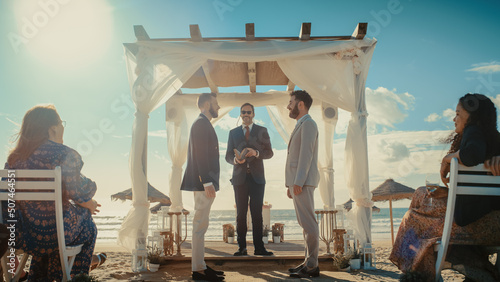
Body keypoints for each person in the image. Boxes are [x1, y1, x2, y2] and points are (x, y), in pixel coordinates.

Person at [390, 93, 500, 281]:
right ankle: (417, 273)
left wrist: (448, 158)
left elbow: (472, 154)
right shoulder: (495, 139)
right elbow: (480, 195)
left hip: (475, 224)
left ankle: (415, 274)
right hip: (493, 223)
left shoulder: (473, 131)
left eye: (458, 113)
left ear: (472, 117)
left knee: (416, 209)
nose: (454, 118)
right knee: (418, 208)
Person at [4, 104, 102, 281]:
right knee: (88, 226)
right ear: (53, 128)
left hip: (23, 235)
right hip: (56, 234)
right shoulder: (64, 154)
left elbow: (8, 199)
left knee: (50, 223)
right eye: (62, 123)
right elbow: (81, 192)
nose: (63, 127)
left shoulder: (14, 159)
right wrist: (90, 202)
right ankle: (76, 277)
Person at [180, 93, 224, 282]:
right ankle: (198, 270)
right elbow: (200, 155)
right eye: (216, 104)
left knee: (201, 226)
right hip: (203, 183)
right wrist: (207, 181)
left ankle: (201, 267)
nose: (219, 107)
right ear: (207, 104)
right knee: (199, 226)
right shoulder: (200, 124)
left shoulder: (203, 124)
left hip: (205, 182)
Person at [225, 103, 274, 256]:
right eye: (243, 112)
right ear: (240, 114)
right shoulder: (233, 133)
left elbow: (269, 153)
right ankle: (242, 248)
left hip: (257, 179)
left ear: (253, 114)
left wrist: (256, 153)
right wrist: (235, 160)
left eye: (248, 112)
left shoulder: (262, 131)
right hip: (239, 178)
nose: (246, 114)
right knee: (240, 214)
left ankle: (259, 248)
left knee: (257, 214)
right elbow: (227, 156)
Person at [285, 90, 321, 278]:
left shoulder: (308, 124)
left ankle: (312, 266)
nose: (288, 106)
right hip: (298, 182)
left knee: (309, 224)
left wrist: (298, 181)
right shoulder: (301, 124)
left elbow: (305, 155)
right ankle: (308, 262)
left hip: (303, 181)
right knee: (304, 224)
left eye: (291, 102)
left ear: (300, 104)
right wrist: (289, 184)